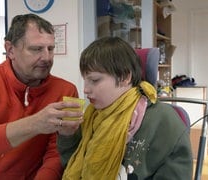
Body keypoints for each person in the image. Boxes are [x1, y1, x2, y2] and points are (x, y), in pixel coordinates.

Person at [0, 13, 83, 180]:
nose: (47, 57)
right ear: (10, 50)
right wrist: (36, 123)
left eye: (51, 48)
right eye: (36, 49)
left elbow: (55, 155)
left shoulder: (66, 90)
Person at [57, 37, 193, 180]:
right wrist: (67, 136)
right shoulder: (92, 116)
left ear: (124, 77)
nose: (85, 89)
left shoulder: (163, 122)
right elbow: (73, 166)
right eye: (85, 80)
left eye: (94, 80)